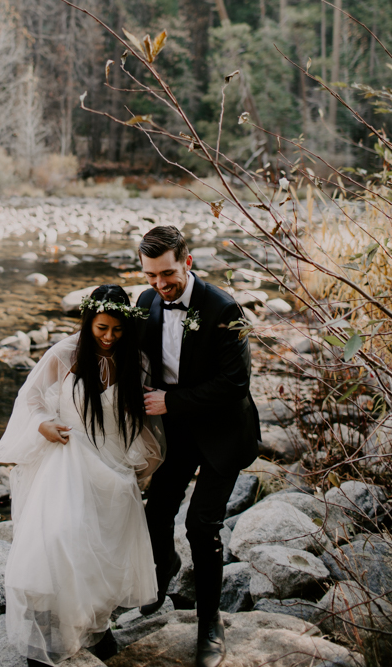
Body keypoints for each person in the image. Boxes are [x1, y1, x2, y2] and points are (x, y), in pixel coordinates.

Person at [0, 284, 165, 666]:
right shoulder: (65, 354)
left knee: (107, 547)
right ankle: (49, 631)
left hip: (112, 461)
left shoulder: (136, 361)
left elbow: (136, 417)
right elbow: (30, 396)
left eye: (117, 330)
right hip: (67, 456)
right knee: (60, 538)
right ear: (89, 322)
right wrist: (43, 425)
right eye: (101, 328)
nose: (108, 337)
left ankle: (96, 625)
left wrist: (140, 466)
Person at [138, 225, 260, 667]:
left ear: (187, 262)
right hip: (177, 434)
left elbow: (235, 384)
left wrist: (170, 401)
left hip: (223, 434)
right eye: (150, 275)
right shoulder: (147, 301)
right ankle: (164, 565)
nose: (159, 285)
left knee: (201, 526)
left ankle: (210, 623)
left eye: (167, 274)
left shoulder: (225, 308)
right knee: (154, 512)